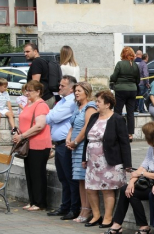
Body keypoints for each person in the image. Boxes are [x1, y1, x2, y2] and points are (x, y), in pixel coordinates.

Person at [99, 122, 154, 234]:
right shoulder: (151, 148)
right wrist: (131, 182)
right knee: (126, 190)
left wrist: (141, 173)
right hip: (151, 182)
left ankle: (143, 227)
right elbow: (143, 166)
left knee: (132, 194)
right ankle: (118, 225)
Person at [82, 90, 131, 228]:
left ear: (108, 104)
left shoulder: (117, 119)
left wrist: (127, 164)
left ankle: (108, 217)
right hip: (92, 161)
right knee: (91, 188)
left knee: (107, 189)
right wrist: (84, 158)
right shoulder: (93, 117)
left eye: (99, 101)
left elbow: (124, 143)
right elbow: (87, 140)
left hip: (109, 161)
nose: (96, 103)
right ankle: (96, 215)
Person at [12, 81, 51, 211]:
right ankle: (33, 200)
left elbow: (39, 125)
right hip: (29, 144)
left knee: (37, 173)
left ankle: (40, 203)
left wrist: (22, 136)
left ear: (38, 92)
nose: (27, 93)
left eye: (30, 91)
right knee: (30, 173)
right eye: (26, 90)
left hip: (38, 144)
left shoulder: (41, 105)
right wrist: (18, 133)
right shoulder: (29, 104)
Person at [46, 75, 80, 220]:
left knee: (69, 178)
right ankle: (65, 206)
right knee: (63, 178)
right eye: (59, 85)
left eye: (62, 86)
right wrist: (51, 115)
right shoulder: (61, 101)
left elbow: (54, 117)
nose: (59, 88)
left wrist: (51, 115)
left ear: (71, 88)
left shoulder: (71, 101)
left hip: (66, 144)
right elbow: (50, 117)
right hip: (58, 144)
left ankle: (74, 208)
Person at [66, 82, 96, 223]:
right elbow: (72, 126)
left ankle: (88, 210)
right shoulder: (78, 107)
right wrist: (68, 138)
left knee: (85, 178)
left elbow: (87, 127)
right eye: (75, 91)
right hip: (74, 146)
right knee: (79, 179)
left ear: (86, 92)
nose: (76, 93)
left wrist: (76, 141)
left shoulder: (90, 107)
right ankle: (83, 208)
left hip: (83, 145)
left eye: (79, 91)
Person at [110, 46, 140, 142]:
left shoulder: (120, 64)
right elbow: (138, 80)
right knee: (130, 112)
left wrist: (114, 78)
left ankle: (117, 132)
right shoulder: (135, 65)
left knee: (118, 112)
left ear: (123, 54)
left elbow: (113, 77)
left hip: (120, 90)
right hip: (132, 90)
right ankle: (130, 134)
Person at [24, 43, 56, 108]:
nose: (25, 54)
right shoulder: (43, 61)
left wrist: (30, 101)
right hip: (48, 97)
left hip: (43, 99)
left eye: (27, 51)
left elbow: (35, 84)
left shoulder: (36, 62)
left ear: (35, 51)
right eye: (24, 52)